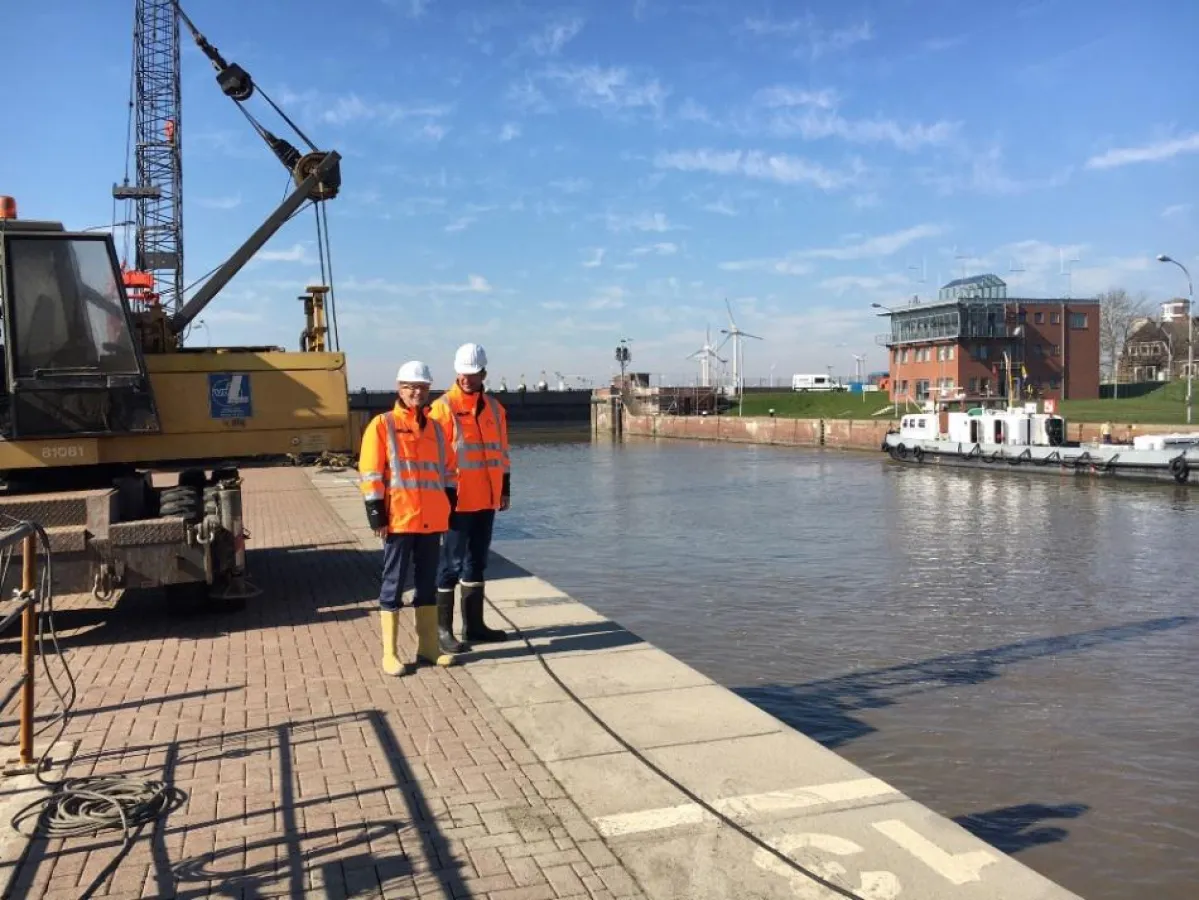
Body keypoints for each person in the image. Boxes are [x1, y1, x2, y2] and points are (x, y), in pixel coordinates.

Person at [358, 360, 459, 674]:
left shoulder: (438, 430)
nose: (417, 392)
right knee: (394, 584)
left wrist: (450, 503)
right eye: (411, 387)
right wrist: (376, 515)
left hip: (431, 520)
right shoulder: (383, 424)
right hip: (399, 520)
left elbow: (449, 472)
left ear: (429, 390)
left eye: (422, 387)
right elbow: (371, 472)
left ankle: (427, 647)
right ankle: (389, 653)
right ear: (399, 388)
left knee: (427, 584)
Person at [429, 342, 510, 649]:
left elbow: (502, 454)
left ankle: (474, 627)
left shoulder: (494, 409)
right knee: (449, 564)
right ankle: (442, 632)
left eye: (473, 374)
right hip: (456, 501)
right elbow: (434, 457)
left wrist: (504, 490)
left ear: (483, 374)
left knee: (477, 562)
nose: (467, 378)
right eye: (462, 373)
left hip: (486, 500)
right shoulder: (443, 408)